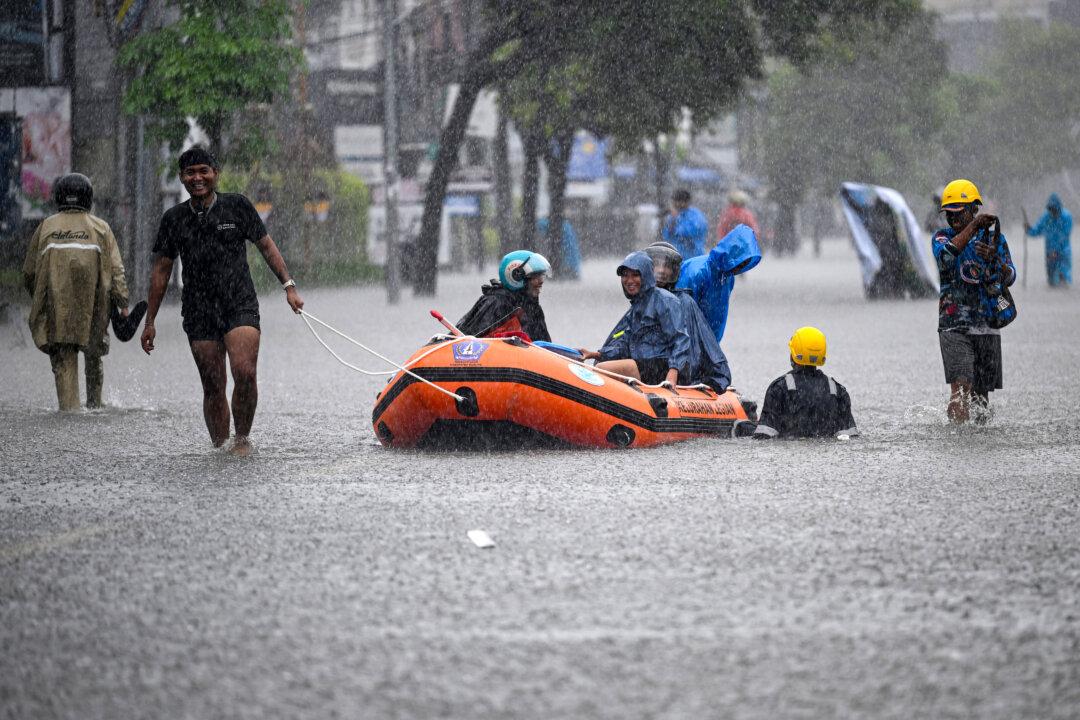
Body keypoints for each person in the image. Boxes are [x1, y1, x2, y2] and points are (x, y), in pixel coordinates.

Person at [140, 146, 304, 456]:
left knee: (245, 372)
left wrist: (289, 287)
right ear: (182, 178)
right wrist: (150, 321)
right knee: (213, 385)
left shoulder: (237, 207)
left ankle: (241, 440)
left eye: (204, 171)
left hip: (239, 303)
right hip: (199, 309)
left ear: (216, 174)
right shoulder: (174, 219)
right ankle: (219, 448)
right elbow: (161, 271)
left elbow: (267, 247)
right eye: (190, 173)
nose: (198, 177)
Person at [22, 173, 129, 411]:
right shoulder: (101, 228)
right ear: (88, 198)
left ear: (59, 197)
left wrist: (43, 299)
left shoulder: (46, 227)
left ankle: (70, 410)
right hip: (94, 306)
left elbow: (29, 272)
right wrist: (123, 303)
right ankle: (94, 405)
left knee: (64, 358)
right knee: (93, 354)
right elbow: (116, 270)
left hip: (58, 309)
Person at [932, 178, 1016, 424]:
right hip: (953, 327)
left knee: (981, 398)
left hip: (987, 325)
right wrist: (973, 228)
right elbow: (946, 257)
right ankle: (959, 441)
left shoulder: (995, 240)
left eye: (960, 213)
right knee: (960, 390)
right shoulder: (941, 238)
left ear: (974, 209)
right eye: (950, 214)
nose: (954, 219)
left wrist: (996, 262)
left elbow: (1010, 276)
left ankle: (978, 442)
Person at [579, 251, 691, 386]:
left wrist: (672, 373)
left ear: (647, 276)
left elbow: (681, 339)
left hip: (663, 367)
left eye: (635, 275)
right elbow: (625, 345)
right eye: (625, 275)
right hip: (643, 365)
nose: (629, 280)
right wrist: (596, 354)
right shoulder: (636, 308)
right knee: (596, 367)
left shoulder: (666, 300)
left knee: (601, 370)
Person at [645, 241, 731, 392]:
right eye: (656, 265)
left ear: (675, 272)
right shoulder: (641, 300)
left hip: (675, 374)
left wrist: (675, 369)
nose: (661, 271)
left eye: (666, 266)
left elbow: (685, 343)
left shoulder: (684, 302)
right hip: (647, 371)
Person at [752, 327, 858, 439]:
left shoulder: (779, 388)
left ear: (793, 355)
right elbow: (850, 437)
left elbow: (764, 437)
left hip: (790, 452)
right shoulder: (837, 390)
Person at [675, 224, 762, 342]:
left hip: (708, 343)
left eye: (744, 264)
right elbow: (679, 313)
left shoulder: (728, 277)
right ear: (732, 254)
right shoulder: (697, 272)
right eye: (740, 262)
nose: (740, 268)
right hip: (689, 343)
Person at [456, 250, 551, 341]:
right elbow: (476, 345)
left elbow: (545, 348)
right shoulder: (496, 304)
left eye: (541, 276)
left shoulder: (533, 308)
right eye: (535, 276)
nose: (541, 281)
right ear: (516, 277)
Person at [1025, 193, 1072, 287]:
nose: (1053, 212)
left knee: (1063, 279)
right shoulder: (1046, 217)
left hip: (1063, 252)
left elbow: (1064, 236)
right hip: (1049, 252)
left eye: (1054, 209)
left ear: (1059, 208)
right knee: (1051, 281)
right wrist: (1029, 229)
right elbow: (1037, 230)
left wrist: (1056, 251)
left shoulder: (1066, 217)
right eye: (1051, 209)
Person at [661, 188, 709, 258]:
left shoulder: (695, 215)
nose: (675, 204)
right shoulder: (673, 216)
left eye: (677, 201)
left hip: (693, 256)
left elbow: (692, 231)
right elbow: (667, 235)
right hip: (675, 257)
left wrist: (676, 220)